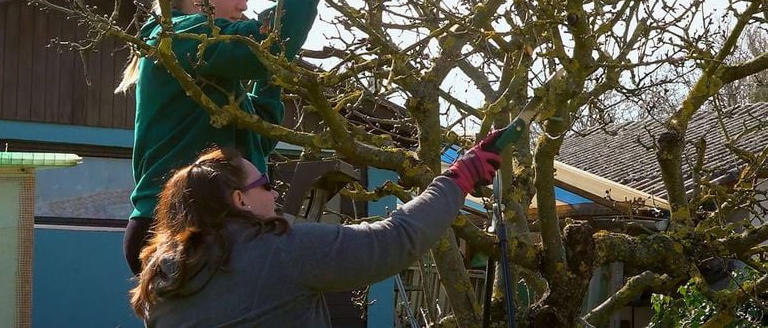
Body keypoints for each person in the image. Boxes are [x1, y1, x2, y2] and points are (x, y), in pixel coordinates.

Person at [117, 0, 353, 275]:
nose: (243, 5)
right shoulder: (179, 36)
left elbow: (262, 134)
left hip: (211, 220)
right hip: (178, 223)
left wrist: (272, 75)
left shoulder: (214, 72)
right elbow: (265, 43)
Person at [129, 133, 502, 327]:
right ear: (240, 200)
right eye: (265, 183)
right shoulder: (278, 250)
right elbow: (396, 239)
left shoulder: (161, 278)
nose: (275, 191)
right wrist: (460, 175)